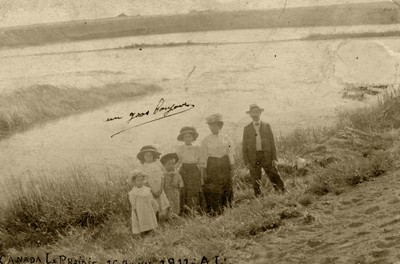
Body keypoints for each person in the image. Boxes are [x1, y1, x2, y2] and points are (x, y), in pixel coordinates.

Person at [242, 104, 286, 196]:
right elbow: (244, 147)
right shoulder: (247, 129)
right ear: (250, 115)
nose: (255, 115)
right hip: (254, 158)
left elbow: (272, 143)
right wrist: (247, 162)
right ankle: (258, 198)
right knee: (255, 179)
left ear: (260, 113)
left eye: (257, 112)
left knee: (274, 175)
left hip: (267, 156)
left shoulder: (267, 126)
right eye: (253, 113)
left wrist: (274, 158)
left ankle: (282, 193)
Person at [200, 114, 234, 215]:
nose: (212, 128)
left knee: (227, 185)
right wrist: (204, 172)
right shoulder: (205, 140)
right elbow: (203, 157)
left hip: (224, 163)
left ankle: (228, 207)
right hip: (212, 165)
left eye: (215, 125)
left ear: (220, 126)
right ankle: (216, 210)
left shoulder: (226, 138)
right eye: (210, 126)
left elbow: (230, 152)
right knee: (214, 187)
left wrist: (232, 166)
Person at [176, 126, 207, 214]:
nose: (188, 138)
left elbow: (201, 163)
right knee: (185, 189)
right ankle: (187, 211)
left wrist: (201, 177)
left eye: (189, 136)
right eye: (185, 137)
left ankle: (197, 210)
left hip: (194, 170)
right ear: (182, 138)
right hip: (184, 170)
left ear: (193, 137)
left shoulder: (197, 148)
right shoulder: (180, 148)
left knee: (195, 189)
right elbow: (178, 162)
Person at [137, 145, 170, 218]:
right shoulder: (143, 167)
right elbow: (144, 181)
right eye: (147, 156)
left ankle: (162, 218)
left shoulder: (157, 165)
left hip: (159, 188)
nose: (149, 157)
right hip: (150, 189)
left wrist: (161, 188)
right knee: (152, 205)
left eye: (151, 155)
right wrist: (152, 191)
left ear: (154, 156)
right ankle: (153, 220)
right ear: (143, 157)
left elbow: (162, 176)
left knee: (161, 204)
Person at [128, 169, 158, 235]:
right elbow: (133, 204)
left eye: (142, 180)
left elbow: (151, 199)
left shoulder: (146, 189)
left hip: (148, 208)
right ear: (134, 182)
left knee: (149, 218)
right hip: (139, 210)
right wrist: (136, 213)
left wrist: (154, 206)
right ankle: (143, 232)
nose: (140, 182)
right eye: (138, 180)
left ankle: (151, 229)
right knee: (141, 219)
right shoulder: (133, 193)